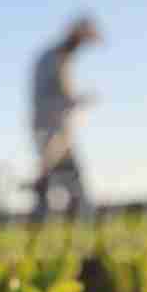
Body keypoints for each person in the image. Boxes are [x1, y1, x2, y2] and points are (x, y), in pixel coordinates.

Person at [29, 16, 100, 217]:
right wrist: (77, 100)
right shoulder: (53, 58)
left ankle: (79, 212)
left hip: (58, 126)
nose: (82, 46)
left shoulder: (61, 58)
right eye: (82, 40)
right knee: (54, 170)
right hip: (48, 125)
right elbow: (53, 95)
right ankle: (47, 214)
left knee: (65, 171)